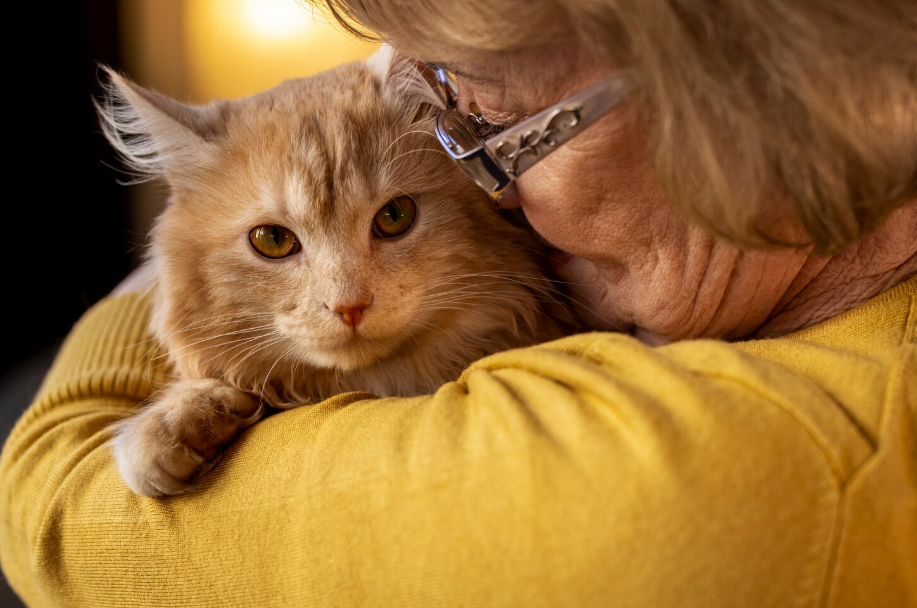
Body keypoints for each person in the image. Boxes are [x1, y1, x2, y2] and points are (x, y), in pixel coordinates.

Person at [1, 0, 914, 606]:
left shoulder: (738, 470)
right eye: (462, 122)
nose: (495, 192)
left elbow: (55, 506)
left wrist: (161, 290)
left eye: (502, 121)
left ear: (743, 87)